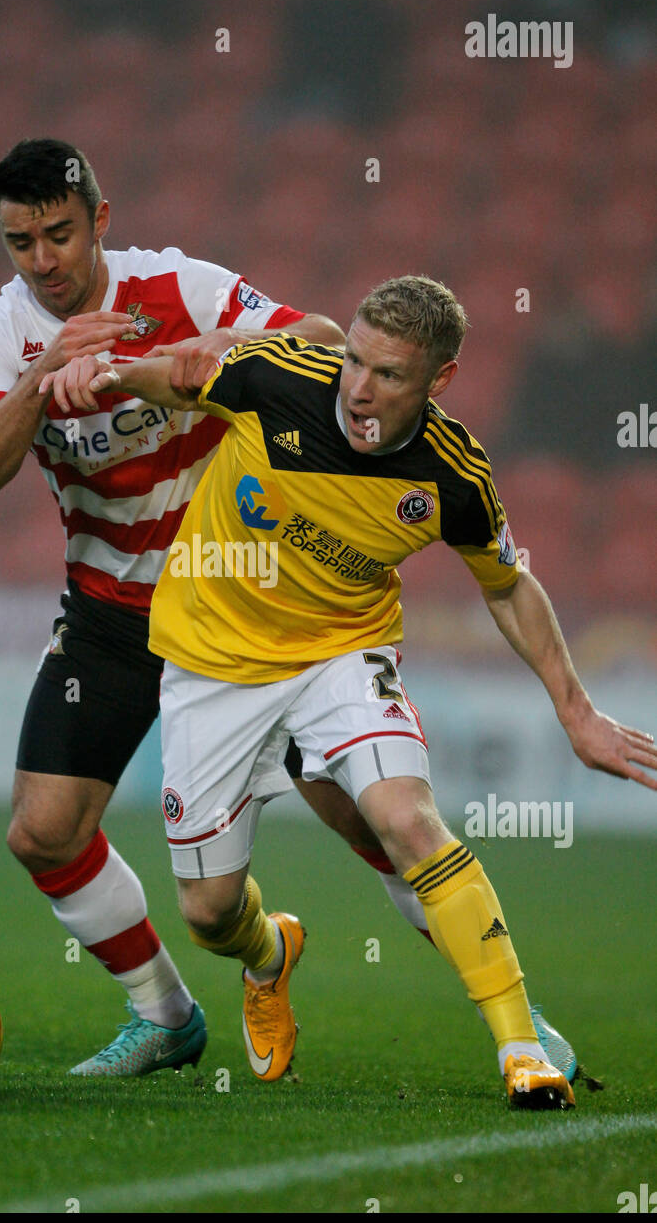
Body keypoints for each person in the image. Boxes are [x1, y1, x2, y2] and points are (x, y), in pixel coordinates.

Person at [44, 275, 657, 1107]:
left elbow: (508, 585)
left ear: (438, 382)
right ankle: (270, 955)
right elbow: (172, 377)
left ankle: (523, 1045)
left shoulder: (451, 475)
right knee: (210, 914)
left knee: (406, 818)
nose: (359, 388)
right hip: (213, 662)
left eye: (389, 376)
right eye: (356, 362)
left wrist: (576, 712)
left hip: (341, 651)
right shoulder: (276, 378)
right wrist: (103, 376)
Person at [0, 137, 343, 1075]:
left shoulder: (179, 287)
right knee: (42, 832)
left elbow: (324, 342)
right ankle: (168, 1016)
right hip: (112, 612)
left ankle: (520, 1022)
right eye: (20, 242)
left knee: (367, 815)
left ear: (101, 222)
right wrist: (42, 385)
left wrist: (215, 350)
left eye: (59, 234)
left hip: (240, 605)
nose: (43, 261)